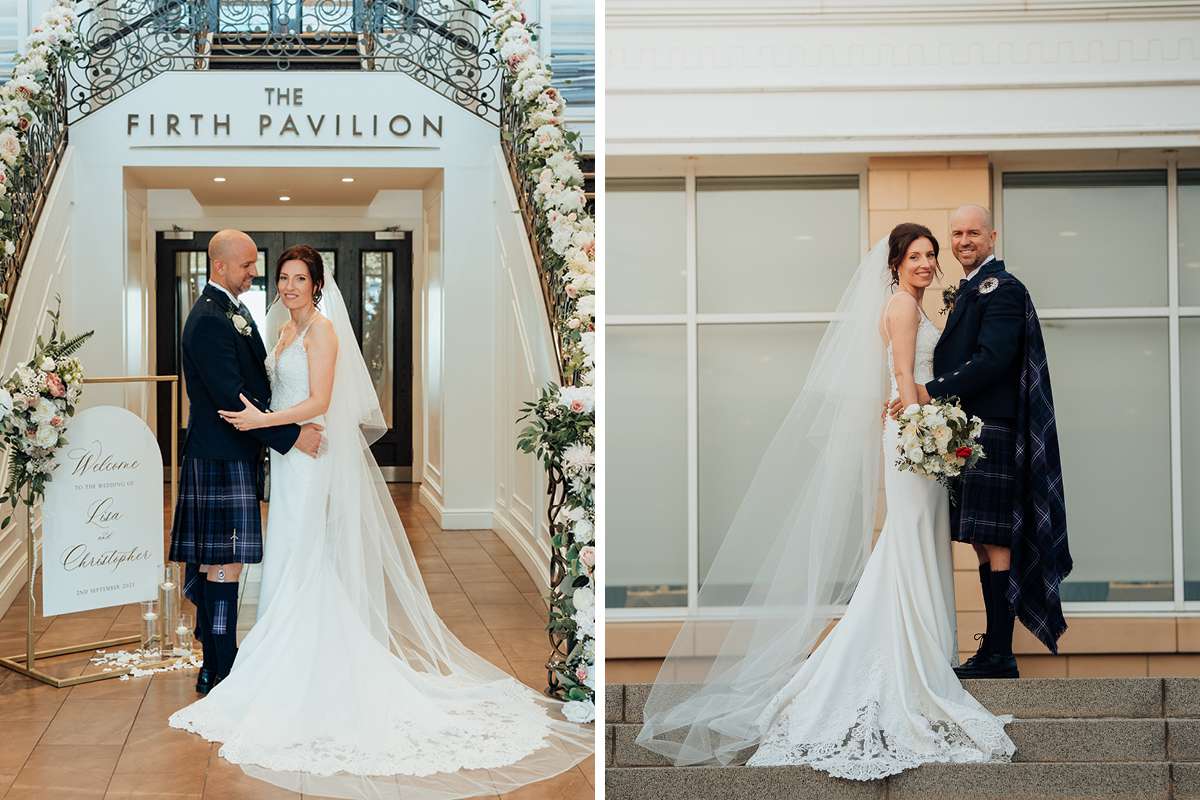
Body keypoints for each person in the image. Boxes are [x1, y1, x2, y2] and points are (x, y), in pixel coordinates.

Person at [168, 246, 592, 800]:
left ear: (319, 286)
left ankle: (289, 666)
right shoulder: (276, 328)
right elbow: (256, 387)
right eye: (281, 277)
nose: (287, 285)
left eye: (299, 279)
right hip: (287, 455)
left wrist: (273, 424)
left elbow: (318, 398)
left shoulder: (321, 333)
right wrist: (278, 430)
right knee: (291, 552)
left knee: (301, 551)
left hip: (306, 455)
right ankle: (274, 661)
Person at [636, 224, 1014, 780]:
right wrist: (924, 434)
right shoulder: (902, 309)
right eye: (916, 256)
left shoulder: (906, 304)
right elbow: (906, 375)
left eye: (931, 255)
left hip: (919, 434)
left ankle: (923, 652)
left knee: (916, 540)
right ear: (895, 263)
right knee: (909, 539)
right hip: (915, 436)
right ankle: (910, 656)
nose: (927, 264)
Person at [897, 204, 1071, 679]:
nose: (963, 240)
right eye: (956, 233)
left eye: (972, 232)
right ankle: (994, 649)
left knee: (996, 539)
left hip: (992, 428)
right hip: (972, 431)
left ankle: (1000, 653)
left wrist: (930, 392)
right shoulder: (973, 289)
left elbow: (993, 359)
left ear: (992, 237)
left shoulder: (1004, 289)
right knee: (981, 540)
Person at [168, 229, 324, 694]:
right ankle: (220, 667)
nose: (255, 273)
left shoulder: (231, 311)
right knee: (223, 565)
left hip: (232, 452)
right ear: (221, 267)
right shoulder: (210, 319)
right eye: (248, 265)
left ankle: (216, 664)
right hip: (219, 454)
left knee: (222, 564)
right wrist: (293, 436)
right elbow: (233, 401)